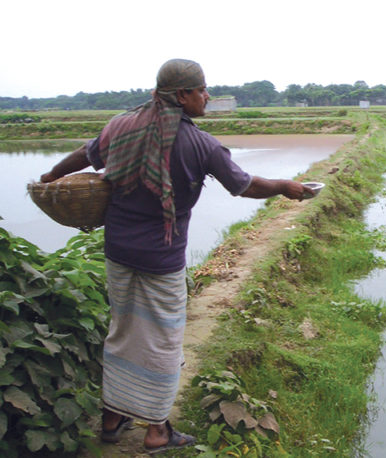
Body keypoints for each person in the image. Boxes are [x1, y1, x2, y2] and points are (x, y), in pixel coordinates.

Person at [40, 58, 314, 454]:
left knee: (124, 331)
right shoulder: (199, 143)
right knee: (163, 340)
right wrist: (285, 186)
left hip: (118, 250)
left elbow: (84, 155)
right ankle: (156, 430)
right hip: (161, 257)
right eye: (202, 90)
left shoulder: (120, 125)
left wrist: (51, 175)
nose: (207, 96)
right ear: (182, 95)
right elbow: (245, 185)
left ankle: (113, 418)